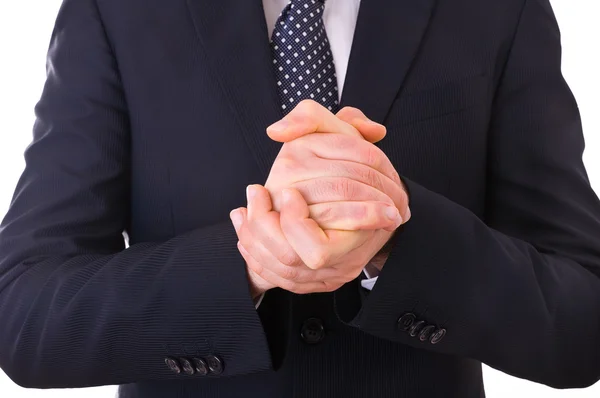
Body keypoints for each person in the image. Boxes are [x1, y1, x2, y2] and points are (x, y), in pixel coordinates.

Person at [1, 0, 599, 396]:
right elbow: (23, 318)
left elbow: (581, 326)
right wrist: (244, 266)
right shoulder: (116, 11)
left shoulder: (499, 11)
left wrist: (390, 233)